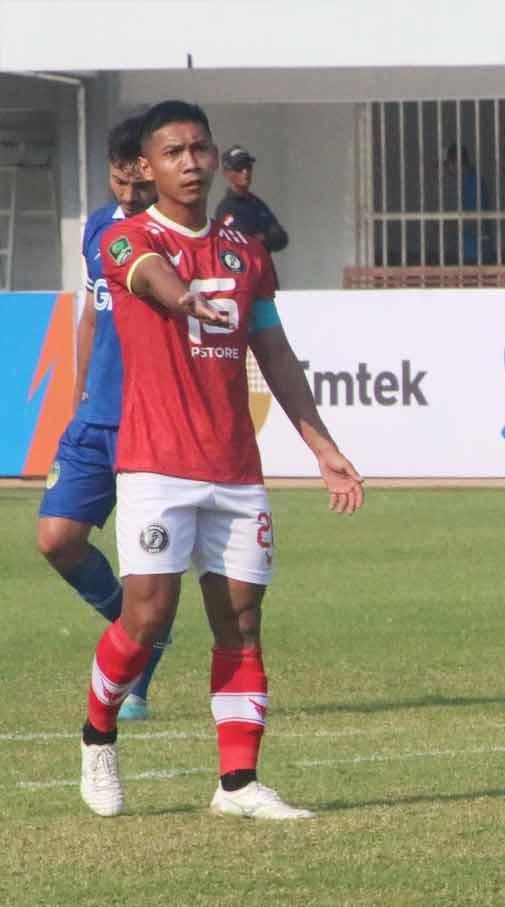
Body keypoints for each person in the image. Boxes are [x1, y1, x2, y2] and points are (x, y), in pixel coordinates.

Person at [80, 100, 365, 820]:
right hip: (154, 463)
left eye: (199, 148)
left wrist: (324, 448)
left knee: (240, 619)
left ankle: (237, 783)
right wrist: (187, 302)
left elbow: (274, 350)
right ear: (146, 168)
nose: (191, 161)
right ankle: (98, 735)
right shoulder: (125, 237)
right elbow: (150, 277)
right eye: (173, 151)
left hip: (235, 466)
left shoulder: (247, 251)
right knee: (147, 615)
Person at [37, 115, 165, 721]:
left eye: (136, 185)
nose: (128, 197)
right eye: (119, 184)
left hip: (154, 422)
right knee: (57, 540)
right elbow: (92, 315)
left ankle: (136, 671)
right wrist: (81, 395)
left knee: (151, 559)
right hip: (97, 416)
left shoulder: (177, 237)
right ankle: (135, 629)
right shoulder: (99, 226)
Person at [214, 145, 289, 253]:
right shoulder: (226, 208)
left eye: (248, 166)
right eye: (239, 167)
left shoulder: (257, 204)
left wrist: (263, 237)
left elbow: (281, 238)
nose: (245, 172)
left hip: (263, 267)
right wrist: (266, 236)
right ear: (227, 173)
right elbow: (241, 243)